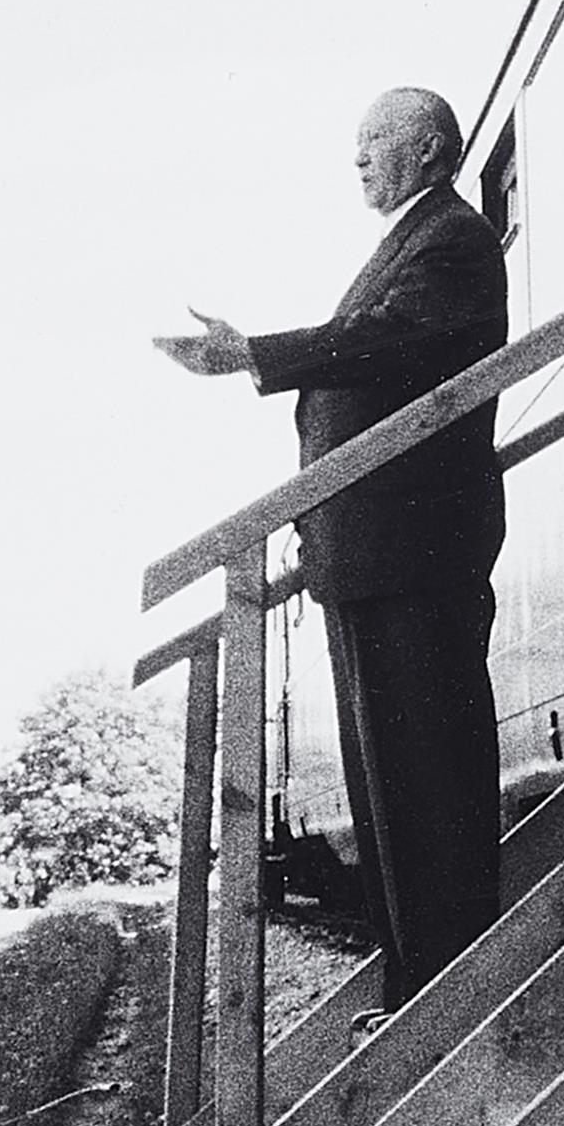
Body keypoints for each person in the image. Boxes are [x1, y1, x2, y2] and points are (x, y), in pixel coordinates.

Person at [156, 86, 509, 1006]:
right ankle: (415, 988)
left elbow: (391, 344)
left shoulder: (453, 240)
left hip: (411, 552)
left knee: (424, 789)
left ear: (430, 151)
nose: (356, 158)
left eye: (374, 139)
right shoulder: (418, 237)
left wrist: (255, 355)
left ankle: (442, 995)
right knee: (392, 796)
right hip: (371, 555)